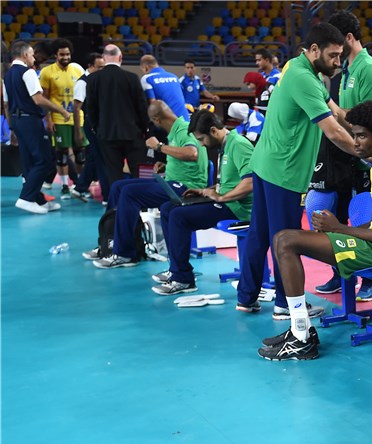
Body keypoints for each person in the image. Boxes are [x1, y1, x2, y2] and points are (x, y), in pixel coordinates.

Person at [260, 101, 372, 361]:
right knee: (282, 239)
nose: (355, 142)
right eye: (353, 135)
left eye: (361, 136)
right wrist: (343, 232)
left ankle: (301, 336)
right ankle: (298, 330)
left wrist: (340, 228)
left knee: (287, 241)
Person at [235, 23, 357, 317]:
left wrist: (364, 123)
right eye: (333, 56)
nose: (338, 62)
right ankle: (284, 304)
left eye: (340, 56)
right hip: (284, 172)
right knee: (286, 239)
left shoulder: (297, 67)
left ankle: (247, 296)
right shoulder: (303, 78)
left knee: (260, 233)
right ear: (315, 50)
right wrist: (368, 153)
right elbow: (333, 131)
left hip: (265, 164)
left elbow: (337, 112)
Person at [312, 9, 372, 303]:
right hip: (346, 154)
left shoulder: (368, 69)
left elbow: (369, 119)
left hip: (365, 156)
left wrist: (332, 109)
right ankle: (340, 271)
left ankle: (369, 277)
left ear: (349, 38)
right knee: (339, 214)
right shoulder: (347, 70)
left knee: (365, 217)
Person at [91, 100, 209, 269]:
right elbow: (189, 160)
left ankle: (125, 253)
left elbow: (192, 153)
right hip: (172, 180)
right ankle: (108, 243)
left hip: (185, 188)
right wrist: (168, 164)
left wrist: (159, 147)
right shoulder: (176, 131)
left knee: (130, 193)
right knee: (118, 187)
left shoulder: (182, 129)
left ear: (157, 119)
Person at [152, 110, 254, 296]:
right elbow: (231, 181)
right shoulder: (225, 144)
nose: (200, 144)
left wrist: (222, 197)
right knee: (168, 208)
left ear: (213, 131)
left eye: (201, 139)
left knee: (178, 216)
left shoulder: (238, 145)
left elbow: (251, 182)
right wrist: (206, 191)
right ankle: (176, 268)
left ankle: (183, 279)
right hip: (226, 201)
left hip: (238, 208)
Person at [3, 40, 70, 214]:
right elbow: (38, 99)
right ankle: (26, 198)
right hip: (30, 120)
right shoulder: (28, 72)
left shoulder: (7, 75)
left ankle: (37, 199)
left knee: (29, 162)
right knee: (44, 160)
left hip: (17, 121)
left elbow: (6, 103)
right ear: (25, 55)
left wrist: (11, 128)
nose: (34, 57)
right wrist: (61, 109)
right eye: (32, 54)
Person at [84, 45, 149, 199]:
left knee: (113, 173)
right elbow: (141, 107)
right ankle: (141, 206)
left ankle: (118, 206)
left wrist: (96, 128)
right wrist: (145, 129)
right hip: (133, 133)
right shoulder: (132, 78)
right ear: (120, 58)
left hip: (107, 134)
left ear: (104, 58)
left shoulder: (93, 79)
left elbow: (91, 108)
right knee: (137, 172)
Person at [39, 38, 83, 199]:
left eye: (68, 54)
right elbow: (45, 98)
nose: (65, 57)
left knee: (80, 154)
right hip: (58, 118)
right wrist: (48, 120)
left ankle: (79, 184)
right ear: (56, 55)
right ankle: (65, 185)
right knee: (62, 153)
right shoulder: (47, 72)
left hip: (78, 118)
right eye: (62, 54)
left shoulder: (77, 71)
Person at [69, 52, 105, 202]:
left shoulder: (98, 80)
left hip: (99, 122)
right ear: (90, 66)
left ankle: (80, 188)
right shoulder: (82, 83)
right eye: (99, 67)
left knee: (94, 157)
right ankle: (107, 195)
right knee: (101, 157)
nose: (102, 70)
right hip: (90, 123)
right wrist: (78, 131)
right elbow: (76, 108)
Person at [139, 55, 189, 121]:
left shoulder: (147, 78)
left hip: (167, 124)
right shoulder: (174, 76)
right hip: (185, 121)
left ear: (146, 68)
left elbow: (153, 103)